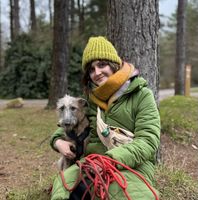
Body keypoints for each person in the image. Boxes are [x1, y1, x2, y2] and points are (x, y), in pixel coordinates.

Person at [50, 36, 161, 200]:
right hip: (90, 165)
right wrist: (58, 141)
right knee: (63, 188)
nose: (97, 73)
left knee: (129, 194)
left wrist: (109, 160)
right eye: (91, 69)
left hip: (131, 166)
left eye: (102, 65)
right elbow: (68, 125)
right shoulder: (90, 102)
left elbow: (148, 141)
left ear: (114, 65)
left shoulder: (142, 95)